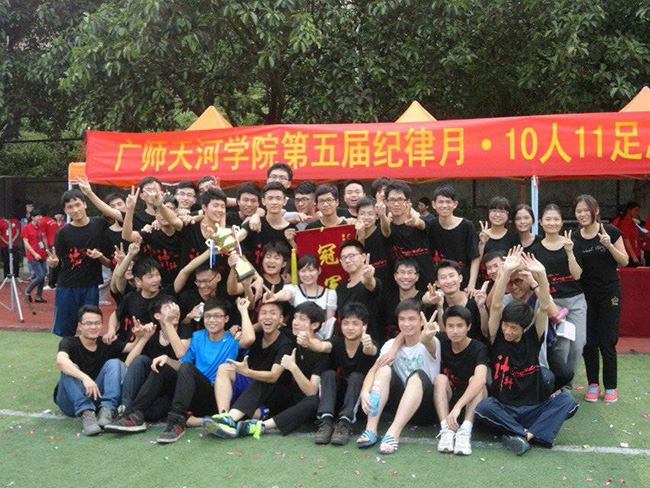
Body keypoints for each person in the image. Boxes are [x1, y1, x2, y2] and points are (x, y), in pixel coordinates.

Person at [105, 297, 255, 442]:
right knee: (164, 366)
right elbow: (182, 361)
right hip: (193, 393)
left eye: (217, 316)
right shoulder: (198, 336)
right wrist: (167, 359)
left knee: (187, 368)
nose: (212, 320)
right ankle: (135, 414)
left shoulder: (232, 339)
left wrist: (243, 311)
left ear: (226, 319)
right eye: (208, 316)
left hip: (215, 397)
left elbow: (249, 339)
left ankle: (176, 421)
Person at [475, 248, 579, 455]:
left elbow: (544, 306)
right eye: (506, 325)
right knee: (483, 408)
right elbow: (495, 306)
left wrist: (541, 275)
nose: (507, 331)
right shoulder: (497, 338)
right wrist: (506, 271)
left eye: (513, 328)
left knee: (568, 402)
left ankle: (522, 435)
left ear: (524, 329)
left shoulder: (534, 337)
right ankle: (531, 433)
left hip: (533, 408)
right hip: (504, 407)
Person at [203, 302, 329, 439]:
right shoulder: (289, 334)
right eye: (295, 317)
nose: (296, 322)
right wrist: (240, 328)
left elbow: (311, 391)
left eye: (302, 319)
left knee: (313, 401)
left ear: (314, 325)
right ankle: (227, 419)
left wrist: (293, 367)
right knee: (258, 379)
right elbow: (267, 325)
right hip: (277, 392)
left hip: (297, 399)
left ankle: (259, 425)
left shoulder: (320, 353)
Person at [356, 299, 440, 455]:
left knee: (417, 376)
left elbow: (426, 340)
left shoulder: (432, 342)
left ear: (421, 321)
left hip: (425, 408)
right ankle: (371, 429)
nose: (406, 324)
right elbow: (373, 370)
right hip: (400, 407)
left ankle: (393, 433)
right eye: (402, 319)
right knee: (383, 370)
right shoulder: (390, 345)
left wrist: (427, 335)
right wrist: (364, 391)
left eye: (412, 319)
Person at [573, 195, 628, 403]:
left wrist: (609, 245)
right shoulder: (575, 238)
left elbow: (624, 260)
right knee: (589, 342)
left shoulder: (611, 231)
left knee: (608, 341)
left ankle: (611, 387)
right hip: (586, 294)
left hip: (609, 293)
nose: (582, 214)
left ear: (595, 210)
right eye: (578, 211)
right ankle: (593, 384)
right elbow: (576, 271)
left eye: (586, 210)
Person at [299, 302, 378, 445]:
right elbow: (322, 346)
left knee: (356, 376)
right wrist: (308, 342)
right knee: (328, 374)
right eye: (346, 323)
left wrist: (368, 345)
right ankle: (326, 421)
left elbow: (371, 350)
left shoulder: (369, 342)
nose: (350, 327)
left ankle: (345, 423)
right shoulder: (337, 341)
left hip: (360, 401)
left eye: (355, 323)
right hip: (337, 399)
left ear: (364, 326)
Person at [54, 305, 140, 435]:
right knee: (69, 367)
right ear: (80, 326)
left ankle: (107, 409)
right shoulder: (69, 342)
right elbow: (61, 361)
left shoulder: (105, 343)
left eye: (97, 323)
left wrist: (140, 336)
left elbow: (132, 347)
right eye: (89, 323)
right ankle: (86, 412)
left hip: (95, 398)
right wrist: (85, 378)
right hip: (70, 402)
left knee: (114, 363)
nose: (93, 327)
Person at [49, 184, 119, 337]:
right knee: (65, 331)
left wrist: (100, 256)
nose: (75, 210)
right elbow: (58, 261)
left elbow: (109, 261)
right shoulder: (62, 233)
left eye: (78, 204)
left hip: (90, 286)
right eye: (70, 207)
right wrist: (53, 265)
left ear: (85, 204)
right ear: (65, 210)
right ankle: (65, 352)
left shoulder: (100, 224)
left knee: (90, 328)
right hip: (67, 287)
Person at [207, 301, 294, 425]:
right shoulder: (256, 336)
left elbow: (273, 376)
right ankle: (223, 416)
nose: (267, 316)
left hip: (274, 392)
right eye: (263, 313)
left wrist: (247, 372)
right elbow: (247, 338)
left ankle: (233, 418)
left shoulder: (285, 343)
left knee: (261, 382)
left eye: (273, 313)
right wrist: (244, 313)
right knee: (224, 368)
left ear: (281, 319)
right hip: (251, 387)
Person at [531, 204, 587, 381]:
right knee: (561, 346)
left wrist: (569, 252)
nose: (552, 223)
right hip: (551, 302)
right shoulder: (536, 250)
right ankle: (558, 384)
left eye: (556, 219)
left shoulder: (571, 244)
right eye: (548, 219)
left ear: (562, 222)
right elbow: (536, 280)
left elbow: (577, 275)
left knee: (578, 344)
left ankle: (568, 381)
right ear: (541, 222)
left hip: (575, 300)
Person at [118, 297, 192, 420]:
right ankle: (125, 407)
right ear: (157, 316)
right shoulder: (154, 334)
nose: (174, 311)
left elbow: (180, 353)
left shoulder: (185, 329)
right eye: (169, 308)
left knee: (153, 414)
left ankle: (136, 411)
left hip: (173, 384)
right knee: (140, 360)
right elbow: (128, 364)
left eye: (175, 307)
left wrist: (168, 324)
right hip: (152, 385)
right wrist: (144, 338)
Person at [434, 305, 488, 456]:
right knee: (440, 378)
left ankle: (465, 431)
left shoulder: (478, 348)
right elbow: (424, 341)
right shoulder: (441, 340)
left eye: (460, 326)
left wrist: (458, 407)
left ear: (468, 327)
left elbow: (480, 379)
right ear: (445, 327)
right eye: (450, 326)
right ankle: (446, 429)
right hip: (449, 400)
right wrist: (426, 335)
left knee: (476, 381)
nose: (455, 331)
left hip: (471, 402)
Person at [262, 253, 337, 338]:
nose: (307, 274)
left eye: (311, 270)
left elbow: (328, 324)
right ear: (298, 273)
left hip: (318, 340)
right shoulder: (293, 289)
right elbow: (286, 294)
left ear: (319, 271)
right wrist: (276, 296)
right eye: (303, 271)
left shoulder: (329, 294)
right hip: (295, 338)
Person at [378, 180, 434, 289]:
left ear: (408, 202)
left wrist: (415, 222)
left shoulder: (421, 222)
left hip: (427, 286)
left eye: (400, 199)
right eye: (392, 200)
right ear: (386, 203)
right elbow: (386, 231)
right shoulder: (386, 227)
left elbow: (422, 225)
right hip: (400, 289)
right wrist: (382, 215)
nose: (396, 204)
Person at [122, 187, 183, 287]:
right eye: (159, 211)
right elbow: (127, 236)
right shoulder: (152, 232)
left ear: (176, 211)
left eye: (168, 209)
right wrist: (130, 210)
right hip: (160, 285)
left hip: (185, 283)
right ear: (155, 214)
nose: (163, 214)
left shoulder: (184, 229)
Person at [428, 185, 480, 290]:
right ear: (434, 204)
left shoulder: (467, 226)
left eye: (448, 202)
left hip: (463, 282)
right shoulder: (431, 225)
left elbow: (474, 257)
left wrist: (471, 284)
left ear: (455, 204)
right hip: (441, 282)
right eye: (440, 202)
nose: (444, 205)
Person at [424, 260, 488, 343]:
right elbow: (443, 337)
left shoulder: (475, 299)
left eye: (451, 276)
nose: (448, 281)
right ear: (437, 283)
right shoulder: (438, 301)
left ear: (460, 278)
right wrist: (439, 307)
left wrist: (481, 307)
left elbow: (486, 332)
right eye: (443, 277)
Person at [238, 182, 296, 265]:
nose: (274, 202)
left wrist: (291, 241)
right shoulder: (254, 223)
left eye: (278, 198)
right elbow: (237, 243)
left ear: (284, 201)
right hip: (252, 271)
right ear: (263, 201)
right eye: (270, 198)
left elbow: (297, 257)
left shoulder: (292, 230)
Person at [336, 240, 383, 341]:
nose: (347, 260)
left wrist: (368, 278)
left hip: (370, 342)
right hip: (347, 344)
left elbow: (370, 284)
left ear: (363, 257)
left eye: (351, 256)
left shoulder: (372, 283)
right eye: (343, 258)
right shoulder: (340, 288)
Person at [354, 197, 392, 292]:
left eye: (370, 214)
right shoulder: (353, 234)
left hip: (386, 280)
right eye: (362, 214)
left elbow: (387, 230)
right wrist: (361, 236)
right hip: (365, 283)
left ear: (377, 216)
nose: (366, 217)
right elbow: (358, 256)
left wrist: (382, 215)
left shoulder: (381, 229)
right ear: (357, 215)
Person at [478, 196, 519, 281]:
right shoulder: (480, 235)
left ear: (508, 214)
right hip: (484, 281)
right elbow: (476, 262)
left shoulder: (514, 236)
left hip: (506, 282)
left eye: (502, 211)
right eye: (494, 211)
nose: (497, 215)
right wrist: (482, 244)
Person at [382, 259, 426, 339]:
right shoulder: (388, 299)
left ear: (417, 277)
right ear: (395, 276)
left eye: (410, 273)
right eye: (402, 272)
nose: (406, 277)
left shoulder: (424, 298)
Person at [21, 209, 48, 303]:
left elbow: (43, 238)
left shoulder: (40, 226)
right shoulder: (26, 227)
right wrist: (34, 253)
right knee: (40, 276)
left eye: (40, 216)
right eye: (38, 216)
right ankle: (27, 290)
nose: (40, 218)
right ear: (32, 217)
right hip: (33, 255)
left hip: (42, 253)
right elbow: (26, 242)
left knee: (43, 276)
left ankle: (38, 296)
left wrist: (46, 249)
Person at [615, 201, 642, 266]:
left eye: (638, 211)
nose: (637, 213)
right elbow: (626, 240)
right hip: (629, 255)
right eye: (636, 210)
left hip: (636, 253)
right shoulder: (624, 223)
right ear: (629, 210)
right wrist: (634, 256)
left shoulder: (633, 223)